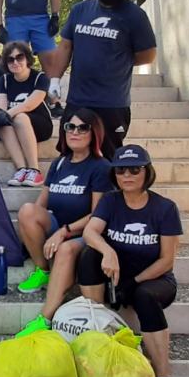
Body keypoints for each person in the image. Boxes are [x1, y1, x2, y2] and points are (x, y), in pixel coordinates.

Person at [78, 144, 182, 377]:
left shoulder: (165, 208)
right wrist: (108, 251)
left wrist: (133, 281)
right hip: (117, 275)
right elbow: (90, 231)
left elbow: (166, 261)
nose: (127, 175)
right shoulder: (111, 201)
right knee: (89, 254)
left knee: (145, 296)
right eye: (121, 170)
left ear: (146, 172)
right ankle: (98, 332)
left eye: (134, 169)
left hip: (155, 279)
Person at [46, 0, 157, 159]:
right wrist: (54, 79)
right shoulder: (80, 10)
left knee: (108, 160)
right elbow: (65, 46)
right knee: (71, 157)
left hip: (112, 104)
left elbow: (147, 54)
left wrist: (118, 61)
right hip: (78, 100)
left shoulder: (135, 16)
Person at [13, 108, 112, 330]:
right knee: (28, 210)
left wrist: (64, 232)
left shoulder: (101, 167)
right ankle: (43, 270)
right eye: (70, 126)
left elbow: (98, 215)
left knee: (67, 250)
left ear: (94, 132)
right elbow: (42, 202)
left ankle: (45, 318)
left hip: (85, 232)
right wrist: (28, 229)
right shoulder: (60, 163)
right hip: (58, 225)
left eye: (82, 127)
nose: (75, 132)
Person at [0, 41, 53, 187]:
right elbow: (0, 107)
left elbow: (29, 104)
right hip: (17, 125)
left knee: (17, 117)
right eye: (10, 59)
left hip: (41, 124)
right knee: (3, 123)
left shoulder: (40, 78)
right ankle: (21, 169)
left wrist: (4, 115)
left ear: (27, 58)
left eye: (19, 57)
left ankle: (35, 170)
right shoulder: (5, 80)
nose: (15, 62)